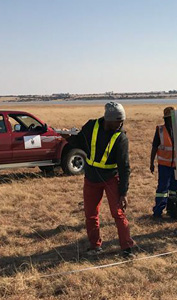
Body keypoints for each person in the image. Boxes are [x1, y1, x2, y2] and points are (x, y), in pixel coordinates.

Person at [66, 102, 135, 257]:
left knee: (118, 213)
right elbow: (79, 142)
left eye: (122, 121)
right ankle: (95, 246)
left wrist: (123, 192)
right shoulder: (91, 126)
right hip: (91, 178)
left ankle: (127, 248)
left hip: (111, 178)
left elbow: (124, 167)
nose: (121, 124)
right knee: (90, 214)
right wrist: (68, 137)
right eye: (118, 121)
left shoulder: (121, 138)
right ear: (108, 119)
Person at [150, 106, 177, 219]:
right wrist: (151, 163)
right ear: (167, 118)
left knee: (174, 189)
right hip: (164, 166)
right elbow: (154, 147)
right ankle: (158, 212)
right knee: (162, 189)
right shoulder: (160, 130)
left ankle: (172, 210)